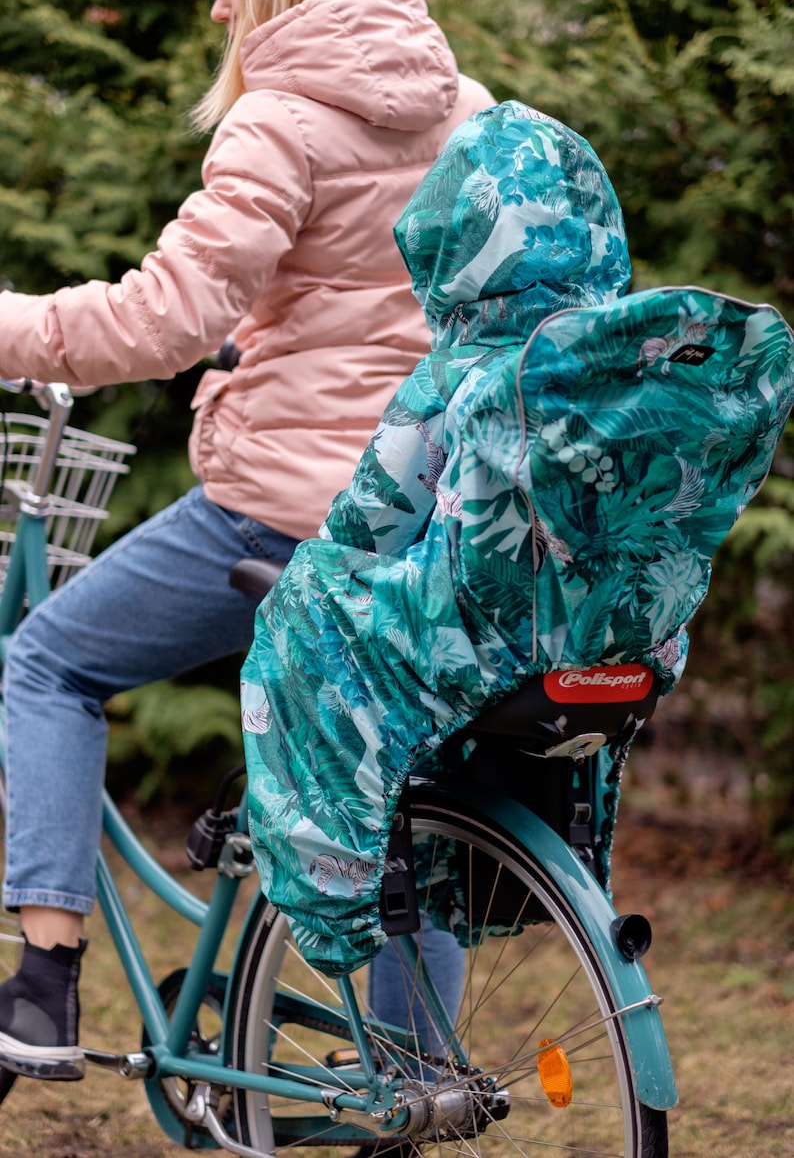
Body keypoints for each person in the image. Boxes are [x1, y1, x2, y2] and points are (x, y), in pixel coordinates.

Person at [0, 0, 494, 1082]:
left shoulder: (282, 114)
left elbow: (162, 316)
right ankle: (415, 1079)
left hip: (281, 512)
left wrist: (13, 326)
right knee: (410, 789)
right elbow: (402, 307)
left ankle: (41, 989)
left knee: (45, 663)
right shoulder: (472, 110)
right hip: (428, 526)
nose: (221, 11)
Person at [241, 99, 794, 976]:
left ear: (452, 240)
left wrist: (325, 568)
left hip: (481, 645)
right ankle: (515, 881)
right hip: (630, 650)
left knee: (305, 608)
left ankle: (328, 898)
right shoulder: (617, 372)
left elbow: (370, 523)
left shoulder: (459, 370)